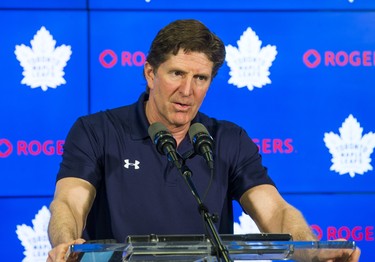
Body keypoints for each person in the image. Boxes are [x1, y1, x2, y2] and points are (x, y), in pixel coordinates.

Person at [47, 19, 360, 262]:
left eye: (200, 78)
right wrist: (66, 240)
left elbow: (275, 211)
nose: (187, 91)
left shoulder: (227, 138)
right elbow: (70, 201)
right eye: (177, 74)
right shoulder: (97, 131)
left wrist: (310, 250)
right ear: (150, 74)